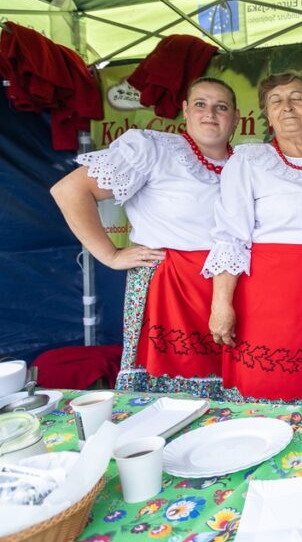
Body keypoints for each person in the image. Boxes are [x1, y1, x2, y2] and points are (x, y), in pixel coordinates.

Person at [51, 77, 239, 398]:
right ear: (185, 111)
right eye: (200, 104)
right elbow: (70, 190)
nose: (210, 113)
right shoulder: (154, 149)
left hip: (231, 287)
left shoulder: (245, 162)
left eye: (221, 107)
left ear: (235, 117)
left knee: (234, 387)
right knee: (173, 395)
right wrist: (110, 255)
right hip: (171, 287)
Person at [204, 71, 302, 403]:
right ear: (267, 116)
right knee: (269, 385)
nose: (287, 107)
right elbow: (230, 237)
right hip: (270, 296)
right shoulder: (249, 162)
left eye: (297, 98)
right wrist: (221, 304)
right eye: (276, 101)